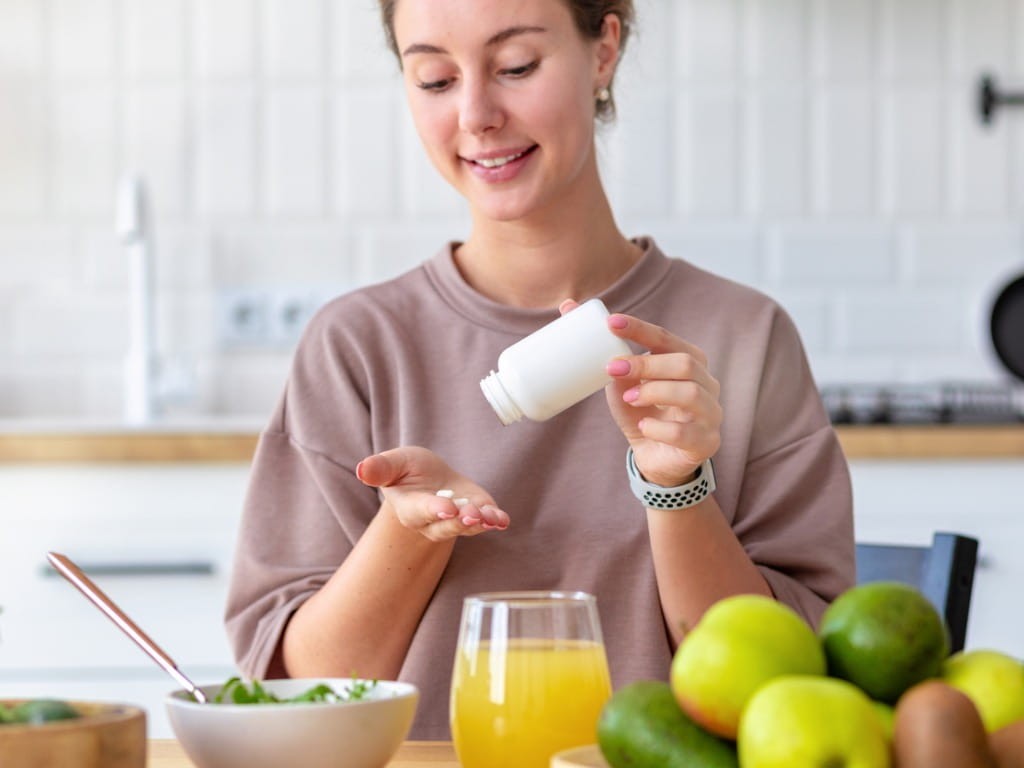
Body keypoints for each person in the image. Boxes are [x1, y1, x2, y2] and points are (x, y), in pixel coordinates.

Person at [225, 0, 855, 740]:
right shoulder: (359, 346)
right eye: (434, 79)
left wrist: (677, 487)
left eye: (516, 66)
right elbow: (297, 694)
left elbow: (792, 688)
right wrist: (409, 534)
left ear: (603, 52)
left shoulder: (742, 340)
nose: (476, 114)